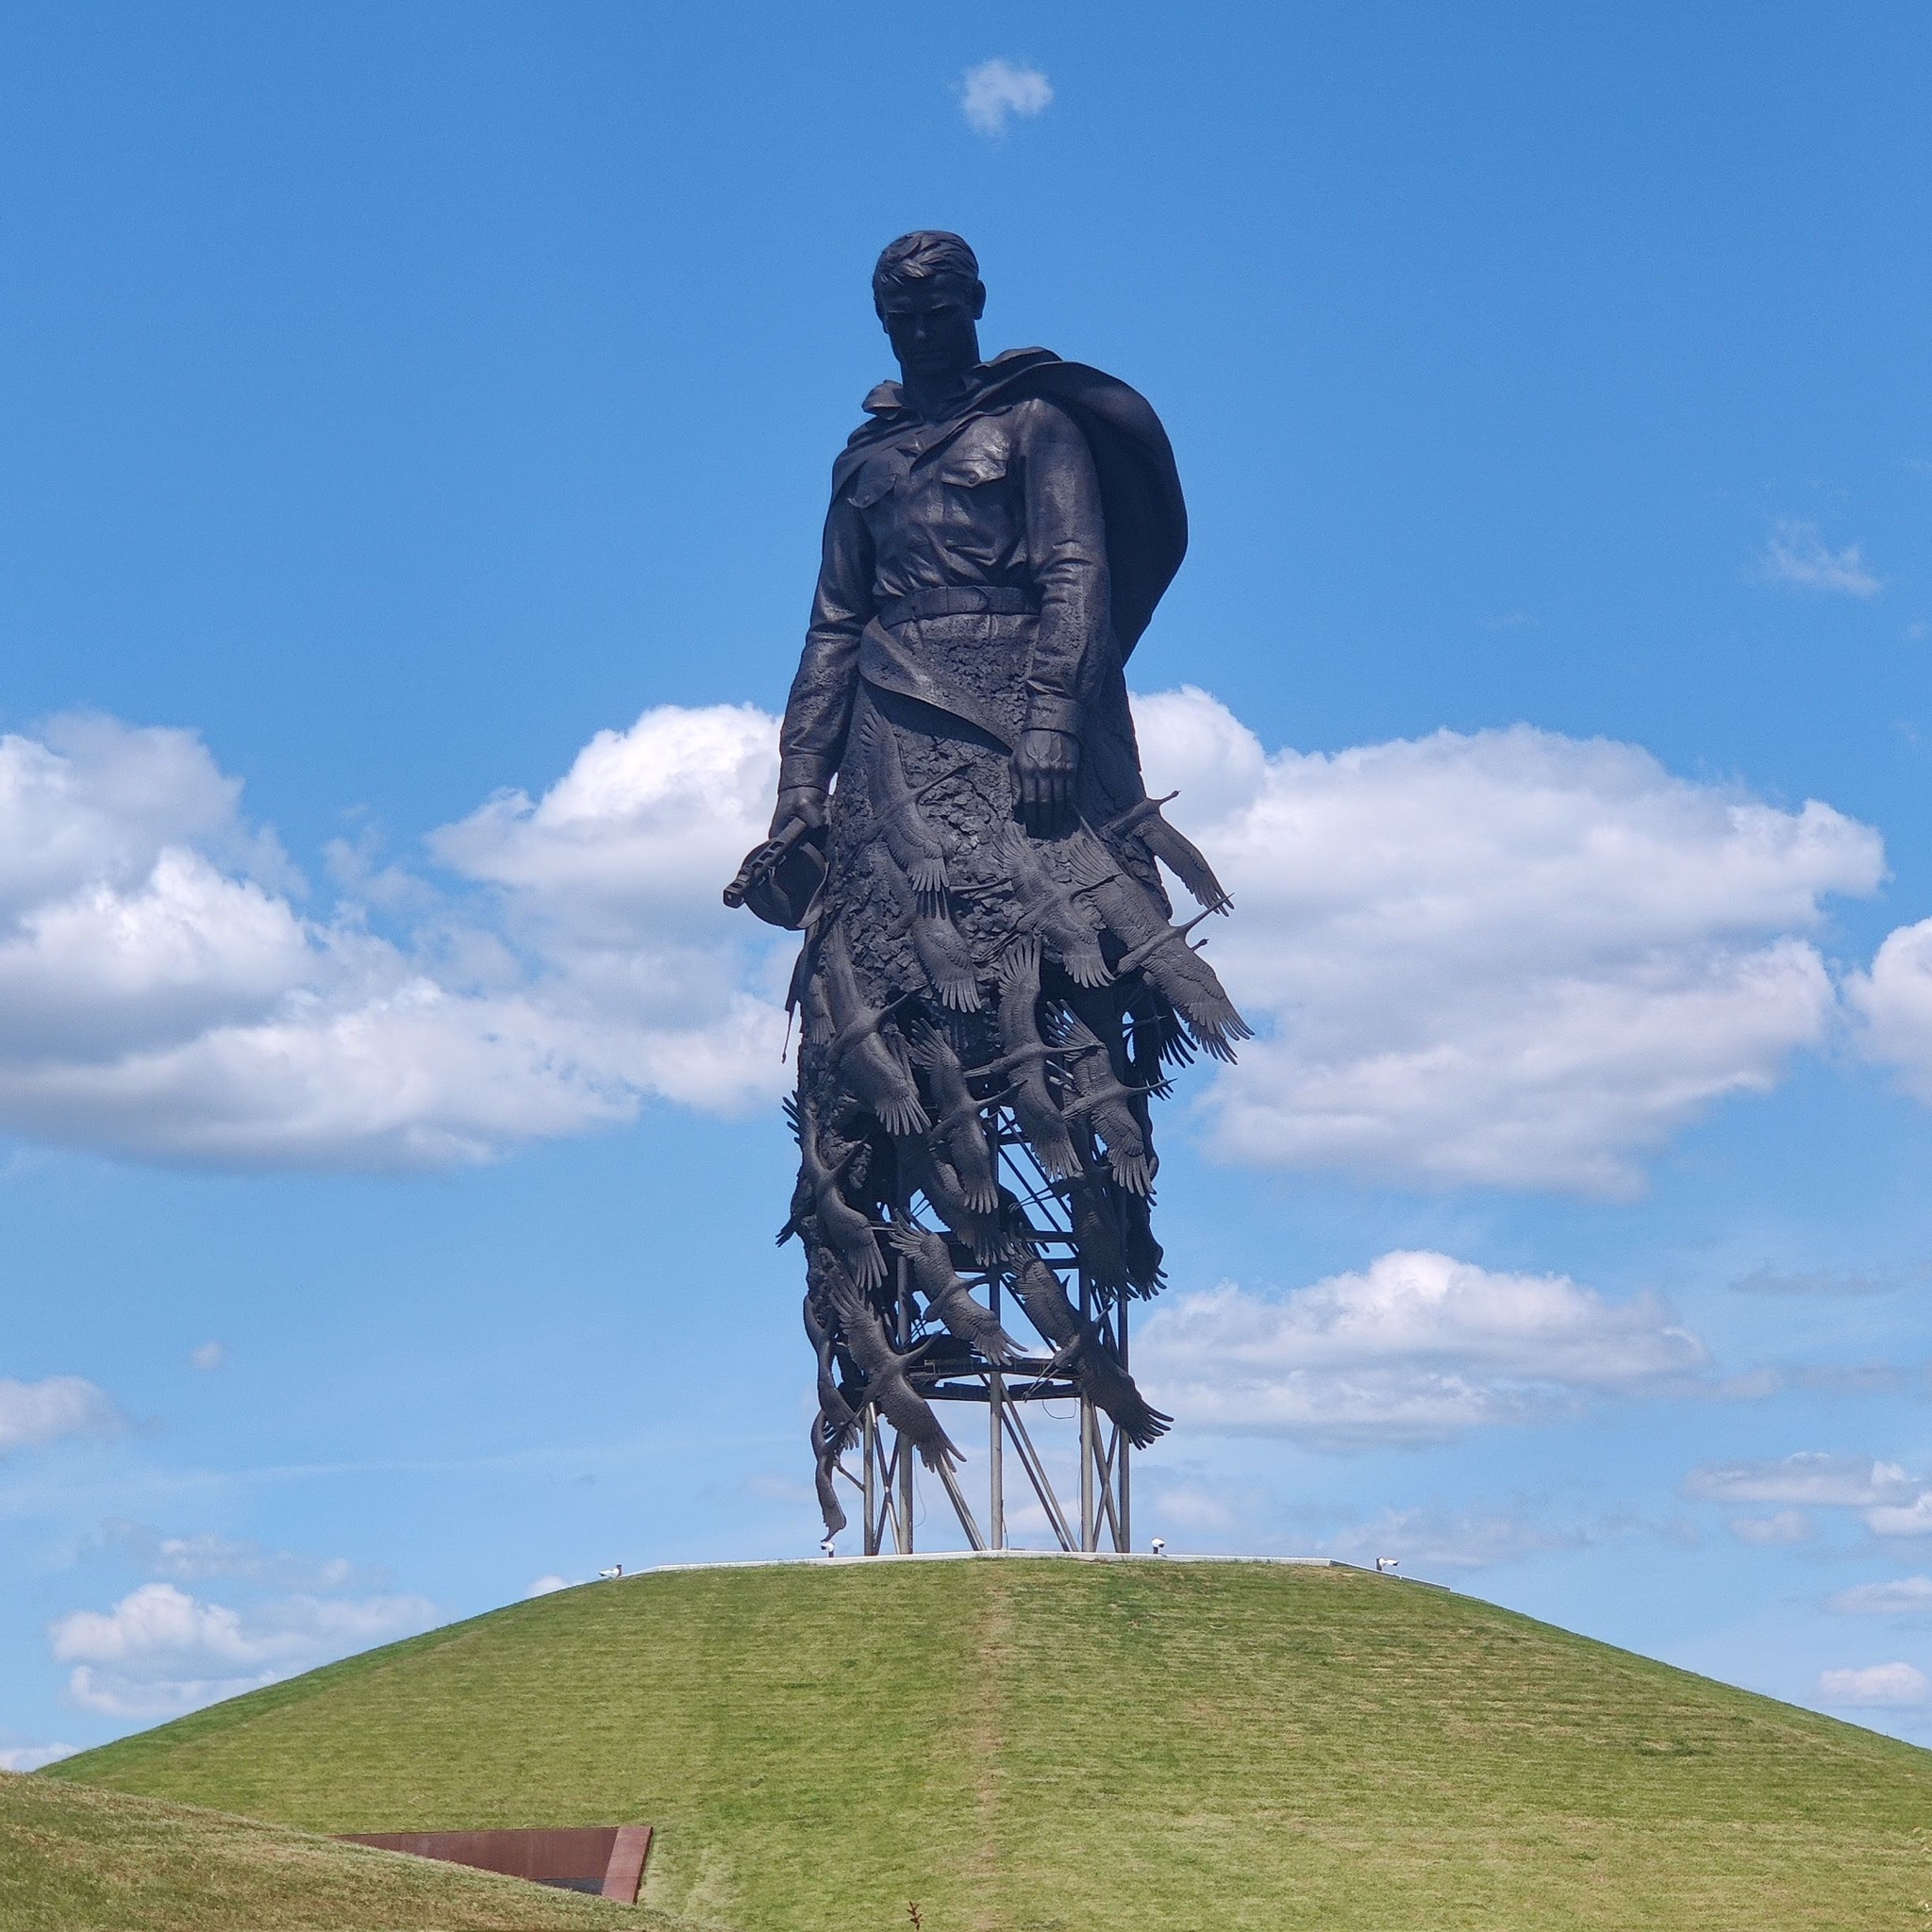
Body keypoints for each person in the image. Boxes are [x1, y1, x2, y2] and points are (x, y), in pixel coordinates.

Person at [730, 232, 1244, 1541]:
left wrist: (1059, 721)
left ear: (971, 309)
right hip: (894, 755)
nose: (916, 331)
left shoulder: (1034, 429)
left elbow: (1077, 574)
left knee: (1056, 1015)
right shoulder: (863, 467)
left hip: (1023, 729)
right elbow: (830, 630)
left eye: (935, 311)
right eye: (895, 316)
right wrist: (799, 796)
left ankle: (1089, 1279)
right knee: (893, 1044)